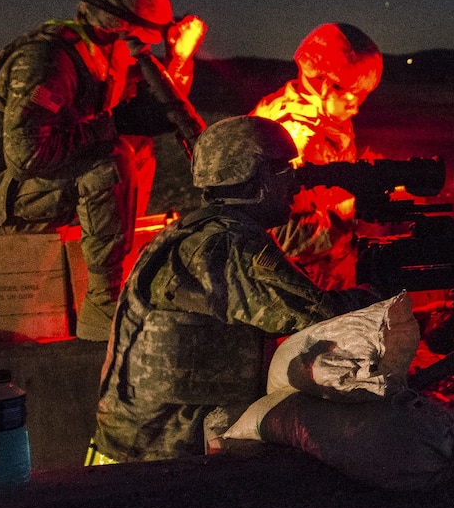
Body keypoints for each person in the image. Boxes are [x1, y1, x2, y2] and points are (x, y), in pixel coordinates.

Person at [89, 115, 380, 463]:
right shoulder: (231, 246)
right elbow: (321, 318)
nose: (295, 183)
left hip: (135, 444)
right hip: (159, 458)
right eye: (283, 170)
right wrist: (379, 290)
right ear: (256, 177)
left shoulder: (190, 233)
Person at [0, 0, 205, 341]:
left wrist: (177, 62)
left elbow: (153, 100)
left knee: (136, 150)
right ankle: (103, 306)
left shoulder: (97, 51)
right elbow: (26, 157)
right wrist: (115, 123)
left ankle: (113, 269)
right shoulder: (47, 58)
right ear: (121, 21)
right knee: (111, 160)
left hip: (6, 188)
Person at [251, 23, 383, 289]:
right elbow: (281, 240)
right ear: (320, 82)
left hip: (332, 269)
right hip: (300, 283)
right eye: (350, 98)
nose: (355, 109)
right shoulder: (286, 136)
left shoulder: (327, 117)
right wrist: (355, 217)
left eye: (361, 98)